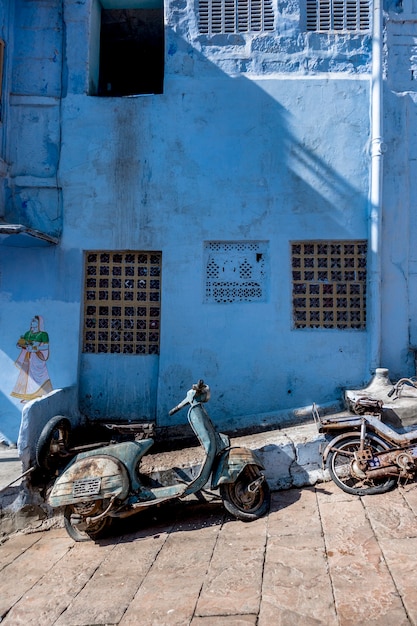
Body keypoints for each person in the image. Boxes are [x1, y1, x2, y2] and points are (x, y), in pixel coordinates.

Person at [11, 315, 53, 402]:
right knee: (27, 376)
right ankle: (28, 396)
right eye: (32, 321)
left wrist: (35, 348)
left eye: (35, 321)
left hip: (38, 358)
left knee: (39, 376)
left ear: (39, 324)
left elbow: (46, 346)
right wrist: (20, 344)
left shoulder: (43, 334)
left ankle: (42, 394)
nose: (32, 323)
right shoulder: (27, 333)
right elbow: (22, 344)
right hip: (28, 357)